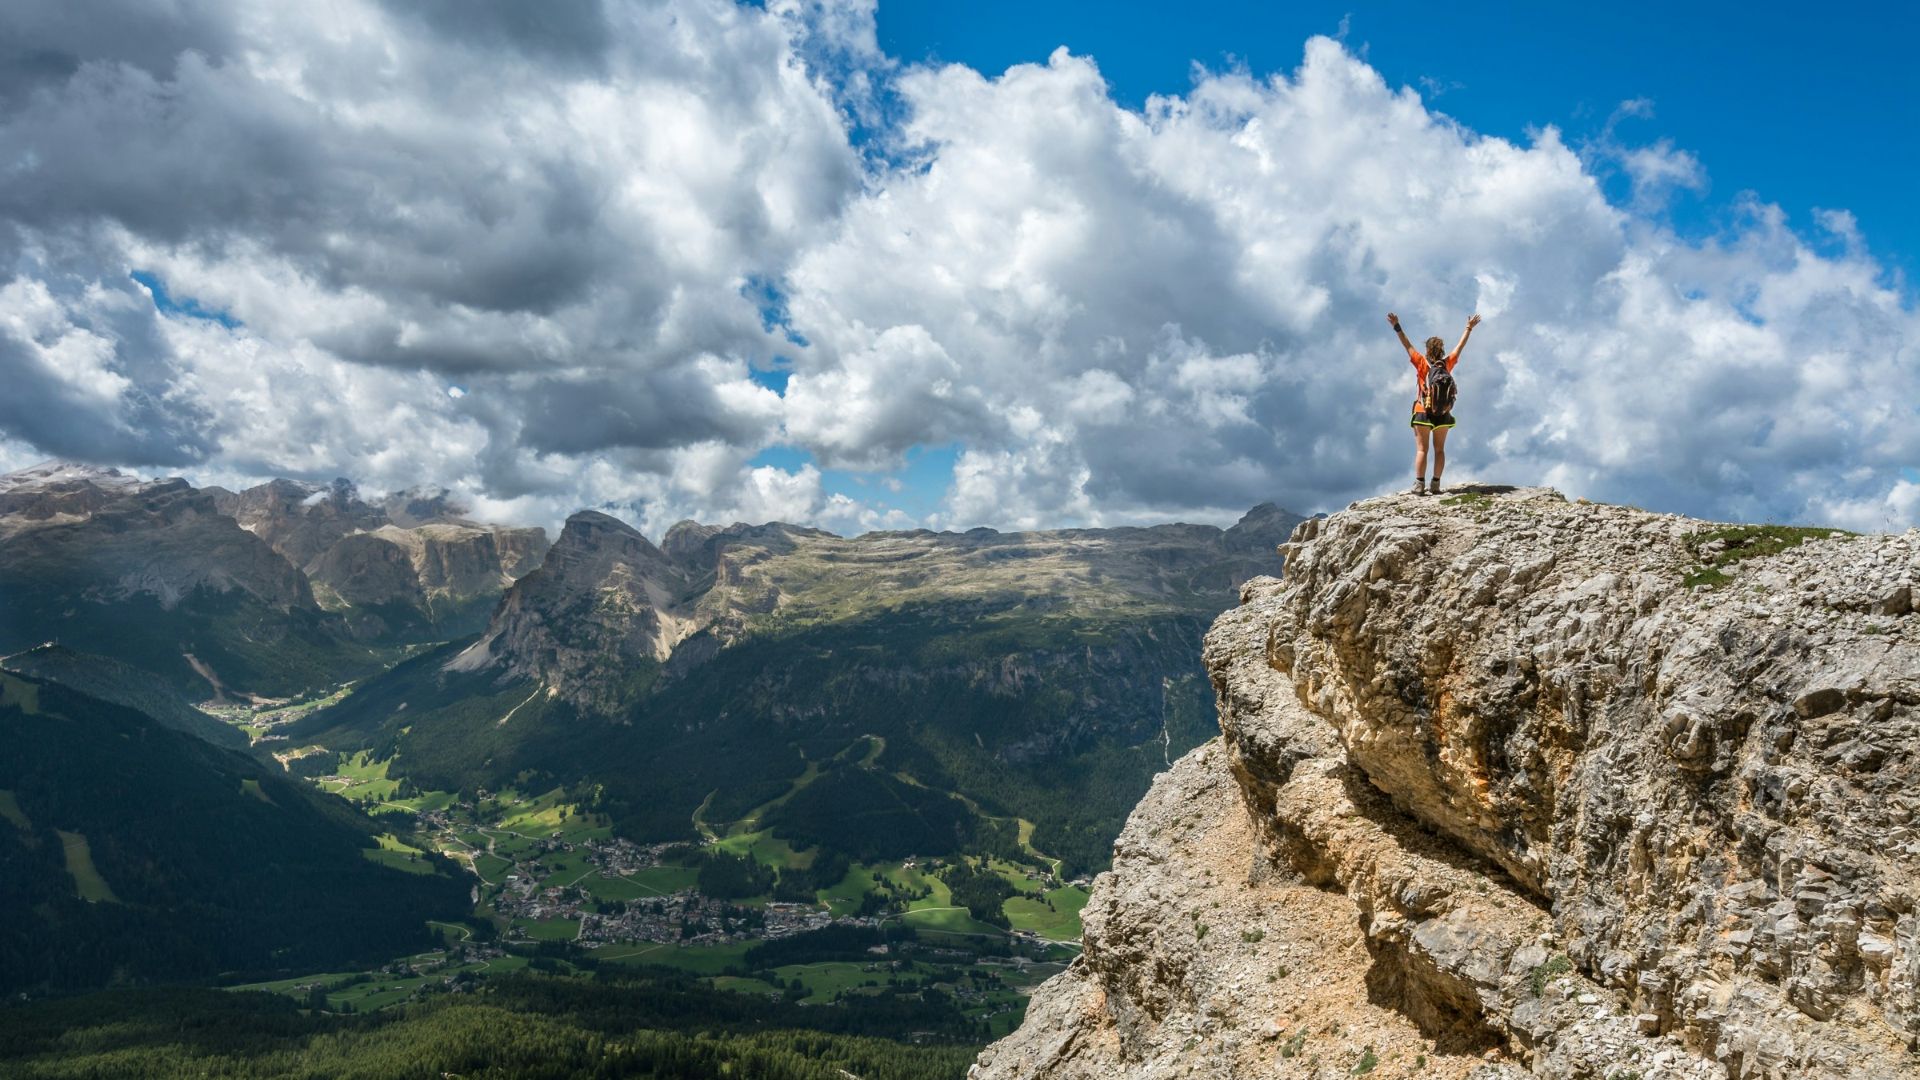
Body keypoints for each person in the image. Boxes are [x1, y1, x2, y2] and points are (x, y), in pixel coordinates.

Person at [1388, 311, 1480, 495]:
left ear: (1428, 351)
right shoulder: (1447, 364)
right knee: (1440, 450)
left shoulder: (1421, 363)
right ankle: (1436, 484)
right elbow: (1460, 346)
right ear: (1441, 351)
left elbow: (1407, 344)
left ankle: (1419, 484)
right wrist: (1469, 328)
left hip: (1423, 410)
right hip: (1443, 413)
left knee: (1422, 449)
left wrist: (1396, 326)